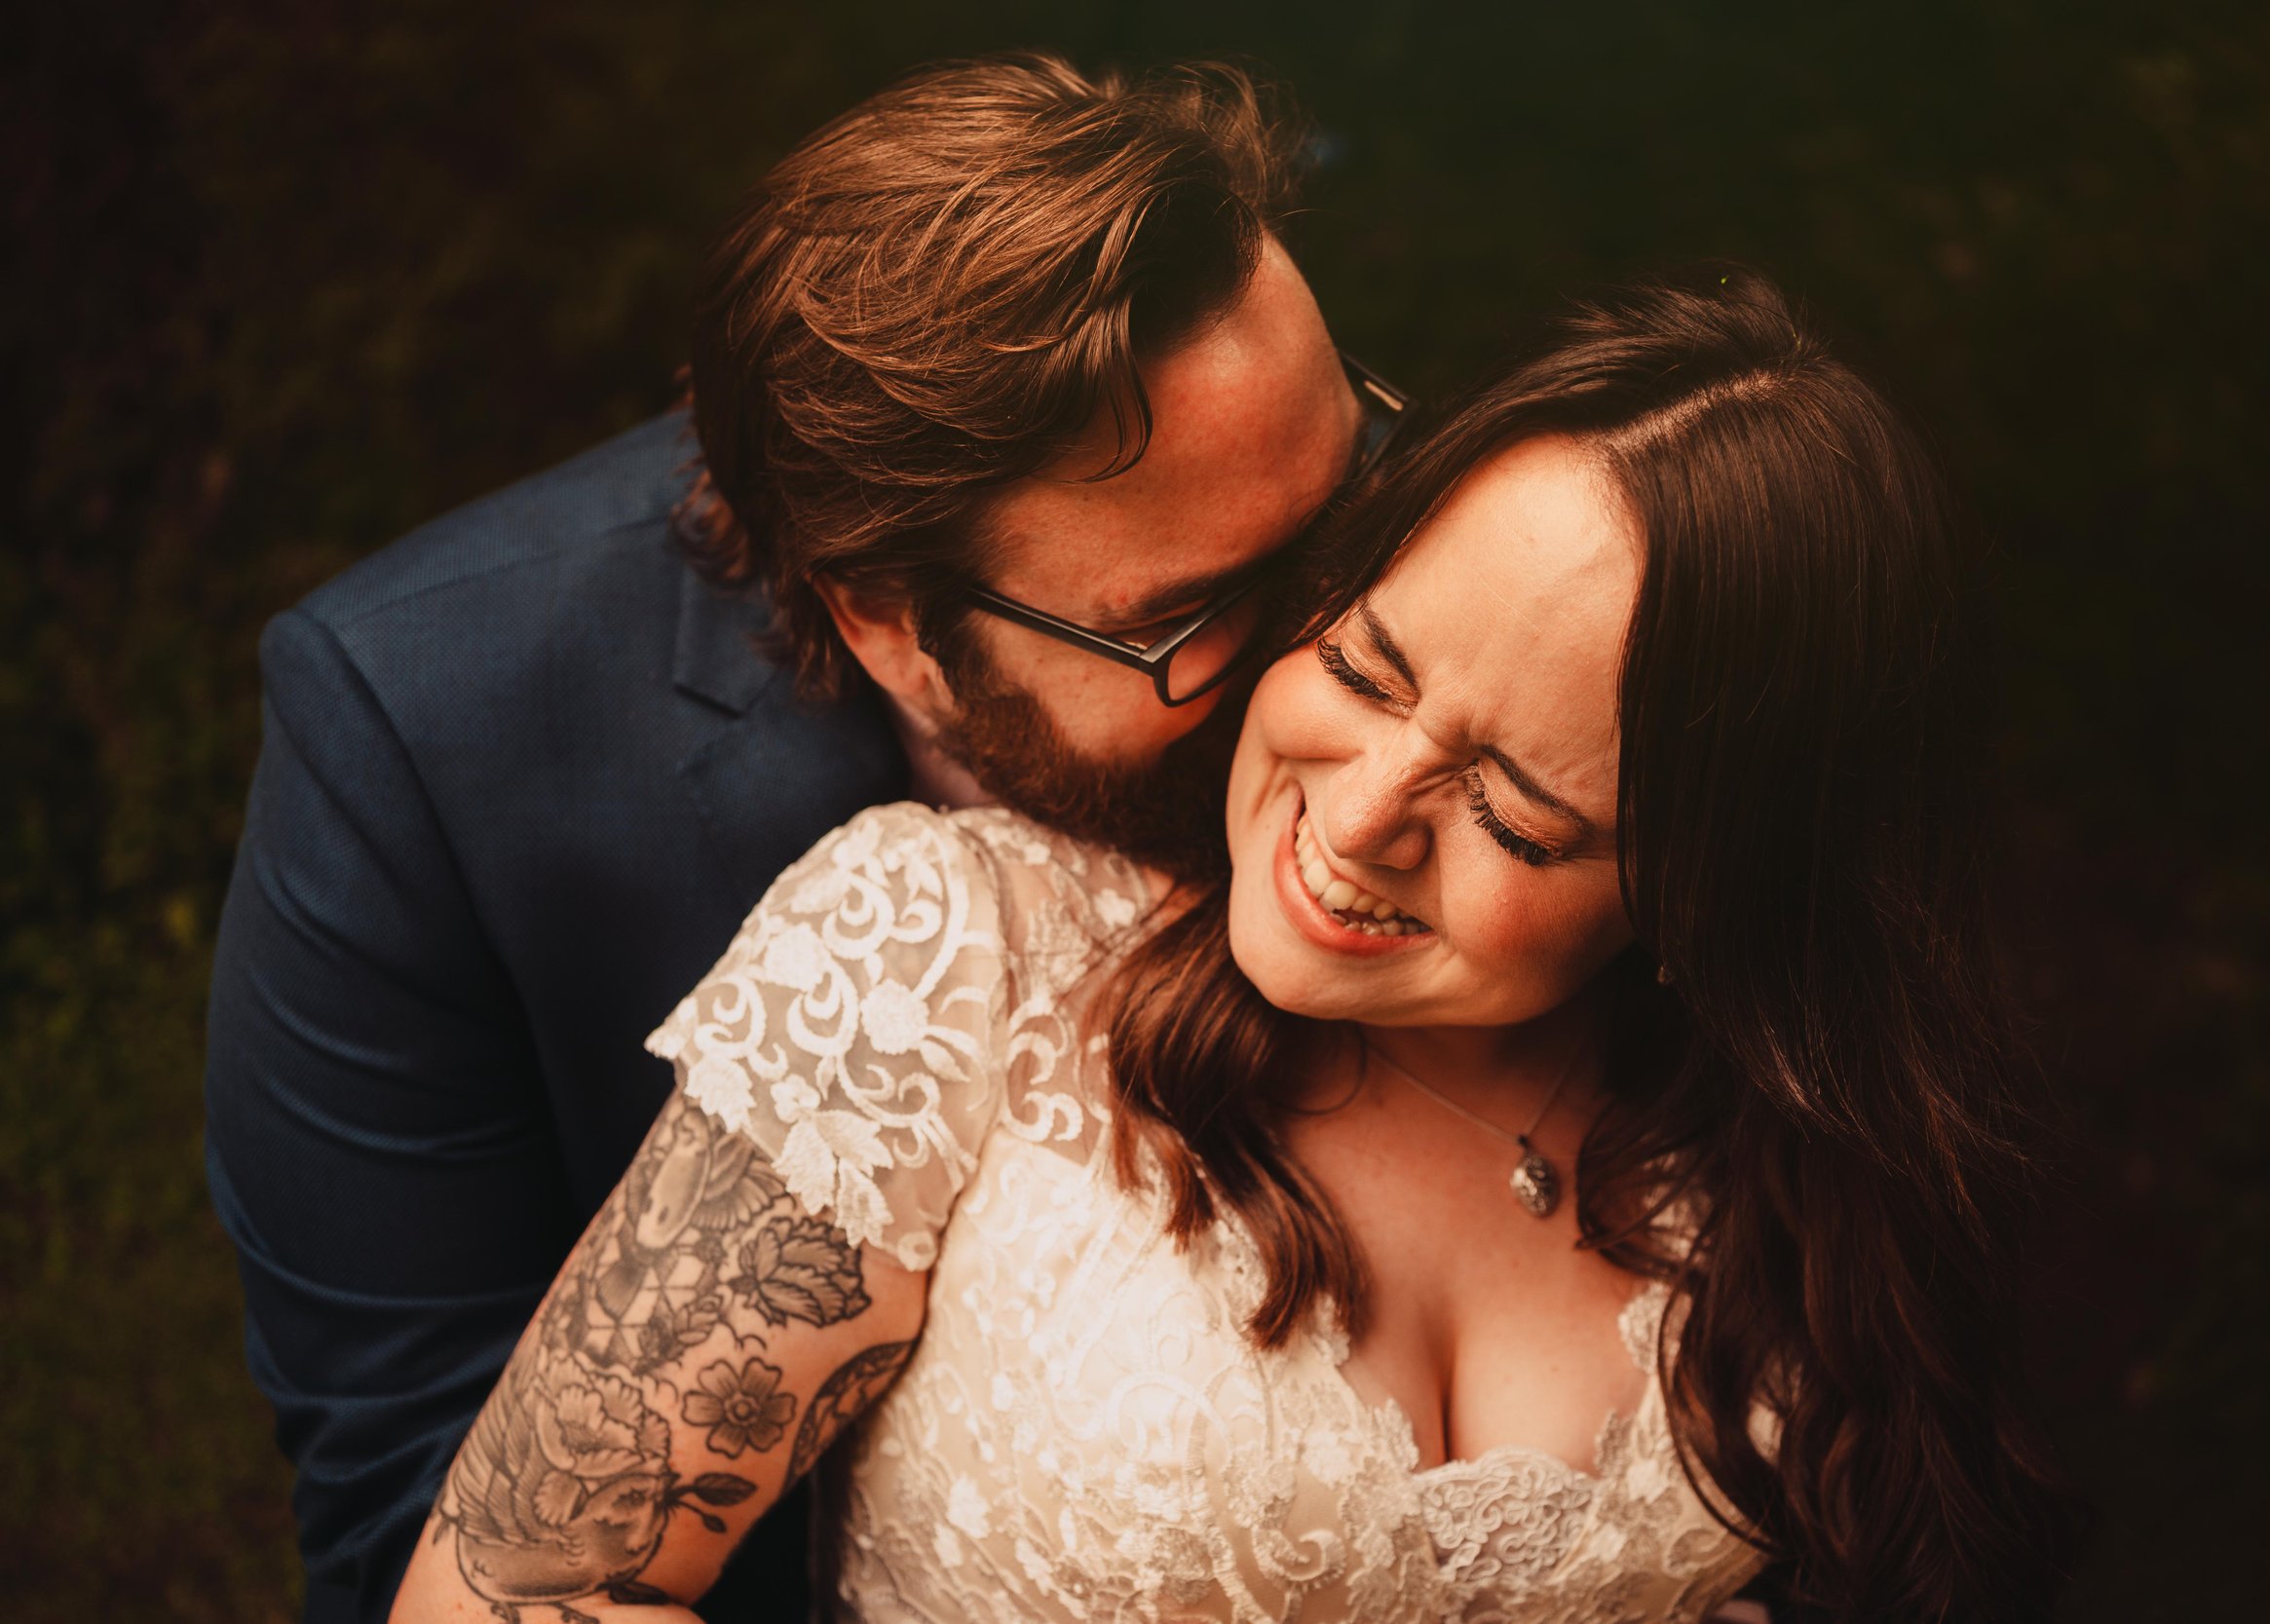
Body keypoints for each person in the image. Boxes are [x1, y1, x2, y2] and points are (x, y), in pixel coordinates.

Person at [390, 273, 2074, 1624]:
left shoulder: (1778, 1168)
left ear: (1707, 888)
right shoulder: (942, 957)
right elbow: (515, 1587)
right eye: (1368, 667)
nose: (1355, 823)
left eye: (1517, 815)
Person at [205, 54, 1394, 1624]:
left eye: (1342, 502)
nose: (1327, 655)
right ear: (888, 621)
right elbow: (413, 1510)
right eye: (1187, 624)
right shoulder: (425, 738)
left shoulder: (1428, 580)